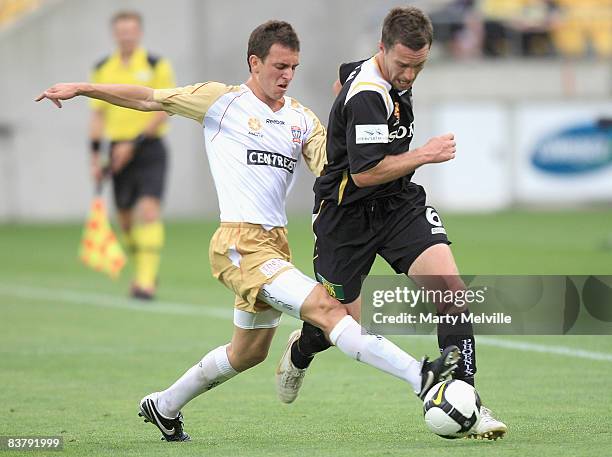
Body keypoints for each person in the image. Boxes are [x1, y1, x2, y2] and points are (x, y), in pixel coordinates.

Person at [37, 20, 460, 442]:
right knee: (329, 310)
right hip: (239, 243)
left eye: (293, 67)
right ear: (254, 62)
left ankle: (164, 405)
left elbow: (336, 171)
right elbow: (150, 98)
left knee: (249, 353)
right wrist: (83, 87)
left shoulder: (302, 120)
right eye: (279, 66)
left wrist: (351, 117)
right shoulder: (221, 101)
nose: (287, 76)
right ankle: (421, 377)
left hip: (275, 244)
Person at [275, 7, 507, 440]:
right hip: (346, 218)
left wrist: (342, 95)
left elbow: (344, 75)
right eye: (402, 65)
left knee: (452, 294)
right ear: (382, 49)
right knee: (341, 324)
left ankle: (468, 403)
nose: (409, 75)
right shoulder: (367, 94)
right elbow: (364, 173)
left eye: (419, 66)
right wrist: (425, 153)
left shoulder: (374, 71)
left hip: (398, 206)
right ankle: (300, 351)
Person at [90, 11, 175, 300]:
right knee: (125, 220)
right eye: (121, 31)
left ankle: (146, 281)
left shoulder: (155, 65)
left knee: (149, 210)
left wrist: (134, 144)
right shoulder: (102, 67)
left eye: (131, 31)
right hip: (116, 149)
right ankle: (142, 268)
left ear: (139, 33)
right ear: (115, 34)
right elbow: (98, 115)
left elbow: (165, 109)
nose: (126, 36)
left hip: (149, 149)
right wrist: (94, 156)